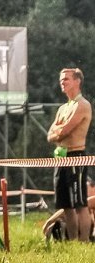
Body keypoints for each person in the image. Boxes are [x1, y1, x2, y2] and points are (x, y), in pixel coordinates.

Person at [45, 67, 92, 242]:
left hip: (75, 155)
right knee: (65, 204)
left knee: (80, 203)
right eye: (61, 80)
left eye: (66, 79)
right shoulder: (63, 108)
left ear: (77, 81)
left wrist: (58, 130)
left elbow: (64, 131)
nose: (62, 82)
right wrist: (58, 131)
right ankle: (72, 241)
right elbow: (50, 135)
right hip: (60, 158)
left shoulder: (83, 105)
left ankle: (84, 240)